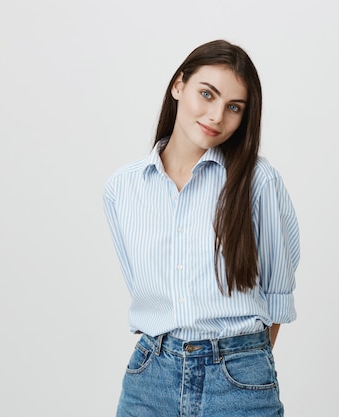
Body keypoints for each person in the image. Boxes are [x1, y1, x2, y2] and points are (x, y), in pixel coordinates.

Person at [102, 39, 300, 417]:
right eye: (206, 94)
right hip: (150, 377)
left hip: (238, 377)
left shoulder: (258, 181)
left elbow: (277, 293)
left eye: (234, 107)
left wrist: (237, 361)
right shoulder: (122, 189)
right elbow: (142, 287)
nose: (216, 116)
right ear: (179, 86)